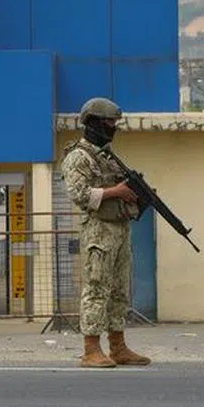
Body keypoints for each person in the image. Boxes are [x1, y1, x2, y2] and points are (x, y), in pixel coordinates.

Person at [60, 97, 151, 369]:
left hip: (120, 230)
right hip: (98, 232)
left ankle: (118, 346)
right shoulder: (79, 156)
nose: (113, 127)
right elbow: (79, 194)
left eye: (115, 122)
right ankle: (91, 349)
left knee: (119, 290)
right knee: (97, 288)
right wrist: (117, 192)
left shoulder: (109, 156)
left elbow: (122, 190)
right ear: (93, 123)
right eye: (108, 122)